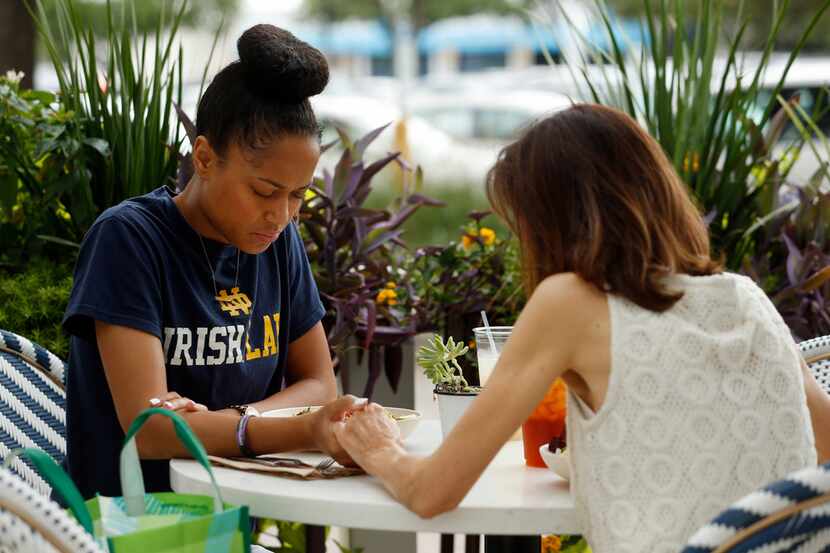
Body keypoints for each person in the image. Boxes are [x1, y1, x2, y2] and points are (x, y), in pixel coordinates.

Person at [333, 104, 830, 552]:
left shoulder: (570, 301)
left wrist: (380, 450)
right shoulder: (745, 297)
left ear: (549, 223)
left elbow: (430, 492)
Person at [62, 24, 362, 499]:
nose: (280, 214)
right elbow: (151, 432)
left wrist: (226, 421)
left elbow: (319, 384)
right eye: (264, 191)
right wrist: (298, 429)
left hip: (225, 519)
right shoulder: (129, 239)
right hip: (123, 530)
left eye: (297, 196)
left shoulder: (276, 242)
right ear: (203, 157)